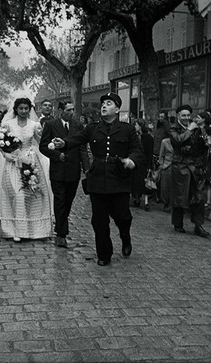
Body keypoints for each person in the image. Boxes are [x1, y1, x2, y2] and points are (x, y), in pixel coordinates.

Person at [52, 92, 145, 266]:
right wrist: (63, 143)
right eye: (103, 103)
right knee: (99, 219)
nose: (104, 106)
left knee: (122, 216)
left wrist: (132, 160)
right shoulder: (92, 128)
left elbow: (138, 150)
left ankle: (125, 237)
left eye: (109, 103)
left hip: (119, 179)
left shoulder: (127, 129)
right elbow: (76, 139)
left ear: (117, 109)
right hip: (98, 180)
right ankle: (104, 254)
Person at [0, 98, 53, 242]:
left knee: (30, 195)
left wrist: (49, 148)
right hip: (12, 163)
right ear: (16, 109)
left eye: (26, 108)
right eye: (21, 108)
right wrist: (7, 155)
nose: (24, 111)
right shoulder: (8, 124)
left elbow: (41, 142)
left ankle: (32, 229)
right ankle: (15, 229)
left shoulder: (35, 124)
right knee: (16, 194)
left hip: (30, 162)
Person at [39, 101, 89, 247]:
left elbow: (82, 149)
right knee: (60, 200)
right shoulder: (51, 125)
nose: (72, 112)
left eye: (73, 110)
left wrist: (86, 169)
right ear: (60, 110)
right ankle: (61, 234)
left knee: (68, 201)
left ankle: (60, 225)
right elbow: (43, 146)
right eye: (68, 110)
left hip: (73, 171)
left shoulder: (78, 126)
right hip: (58, 171)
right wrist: (56, 155)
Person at [168, 104, 210, 237]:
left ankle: (198, 225)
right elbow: (178, 141)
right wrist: (190, 130)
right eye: (183, 115)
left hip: (195, 166)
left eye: (188, 115)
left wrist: (206, 141)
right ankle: (178, 223)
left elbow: (201, 147)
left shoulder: (196, 127)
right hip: (180, 166)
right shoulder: (173, 128)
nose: (186, 118)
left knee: (198, 196)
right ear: (178, 116)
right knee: (180, 195)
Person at [130, 119, 154, 211]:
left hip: (144, 163)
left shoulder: (148, 138)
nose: (135, 127)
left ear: (140, 126)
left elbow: (149, 153)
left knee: (145, 182)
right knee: (135, 181)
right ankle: (136, 199)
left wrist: (149, 166)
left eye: (136, 125)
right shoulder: (134, 137)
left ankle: (146, 202)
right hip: (135, 162)